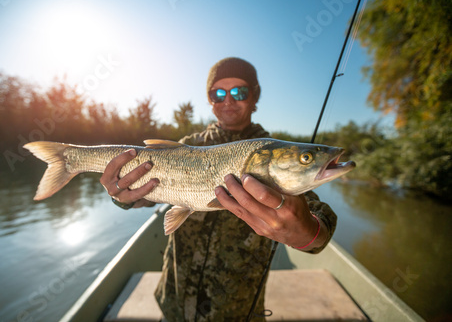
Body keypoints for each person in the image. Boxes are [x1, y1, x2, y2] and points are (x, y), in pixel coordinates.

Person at [100, 57, 337, 321]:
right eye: (218, 93)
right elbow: (151, 194)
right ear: (210, 99)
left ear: (254, 97)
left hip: (236, 311)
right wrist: (122, 196)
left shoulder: (274, 156)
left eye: (239, 92)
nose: (228, 100)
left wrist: (306, 231)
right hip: (174, 302)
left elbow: (318, 225)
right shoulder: (188, 144)